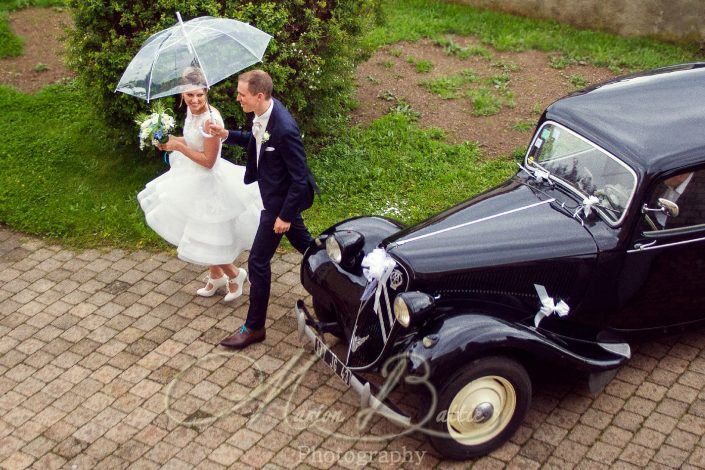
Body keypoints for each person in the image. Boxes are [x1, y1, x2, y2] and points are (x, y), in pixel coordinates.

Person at [206, 69, 318, 349]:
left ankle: (254, 327)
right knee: (307, 246)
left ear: (258, 95)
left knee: (257, 262)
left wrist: (285, 216)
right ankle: (337, 274)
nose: (237, 99)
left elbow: (300, 178)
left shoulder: (285, 129)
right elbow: (256, 139)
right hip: (274, 197)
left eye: (241, 95)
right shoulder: (265, 112)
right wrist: (226, 134)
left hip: (280, 203)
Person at [137, 66, 263, 302]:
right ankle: (216, 277)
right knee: (199, 232)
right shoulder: (191, 112)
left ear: (207, 92)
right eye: (189, 95)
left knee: (204, 236)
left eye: (199, 95)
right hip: (191, 177)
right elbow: (193, 140)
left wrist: (179, 147)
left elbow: (208, 161)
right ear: (181, 95)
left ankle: (236, 274)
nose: (194, 100)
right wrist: (169, 140)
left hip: (209, 182)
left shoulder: (210, 121)